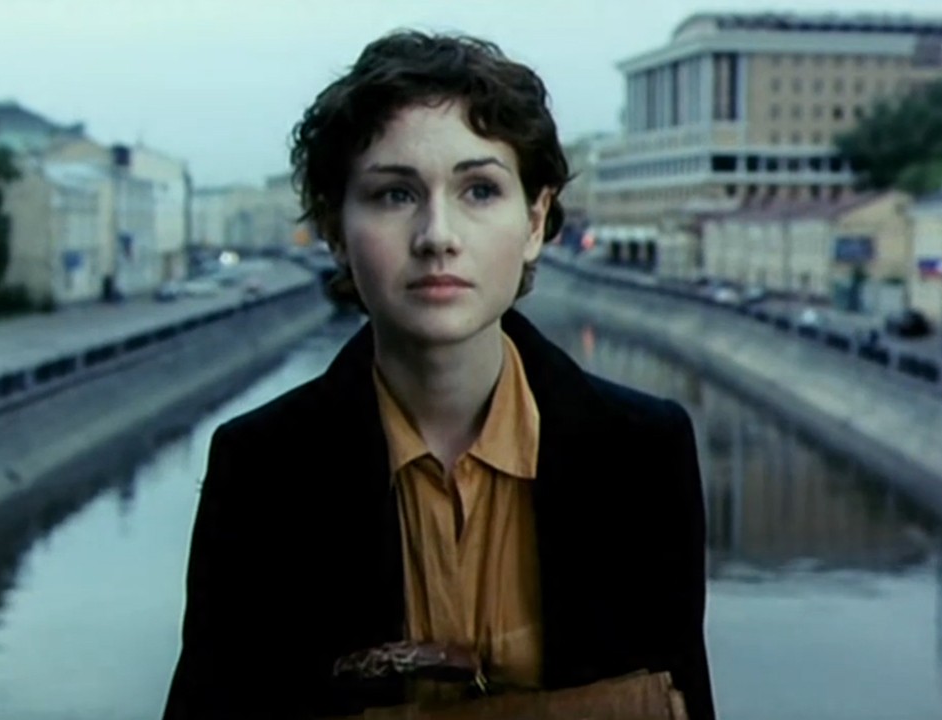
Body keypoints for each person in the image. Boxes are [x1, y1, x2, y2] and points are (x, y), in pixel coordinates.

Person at [162, 30, 715, 720]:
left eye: (479, 190)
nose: (437, 236)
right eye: (395, 195)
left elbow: (680, 702)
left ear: (535, 220)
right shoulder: (262, 468)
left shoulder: (641, 453)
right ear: (334, 229)